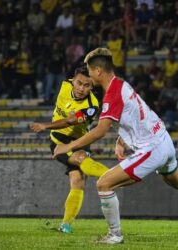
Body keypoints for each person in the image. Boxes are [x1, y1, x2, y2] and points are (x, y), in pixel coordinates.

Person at [53, 48, 178, 244]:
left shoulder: (112, 94)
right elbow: (133, 117)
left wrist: (68, 146)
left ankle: (115, 235)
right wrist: (120, 140)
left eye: (90, 71)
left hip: (151, 149)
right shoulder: (122, 85)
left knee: (104, 183)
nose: (89, 75)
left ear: (98, 71)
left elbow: (100, 130)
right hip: (164, 140)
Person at [30, 67, 109, 233]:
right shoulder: (65, 84)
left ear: (92, 86)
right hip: (59, 141)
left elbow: (70, 121)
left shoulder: (92, 106)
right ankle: (111, 174)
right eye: (79, 83)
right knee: (81, 163)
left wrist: (45, 125)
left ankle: (66, 225)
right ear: (73, 80)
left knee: (77, 181)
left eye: (87, 85)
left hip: (80, 141)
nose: (81, 88)